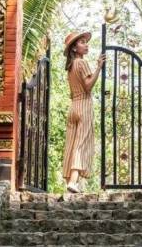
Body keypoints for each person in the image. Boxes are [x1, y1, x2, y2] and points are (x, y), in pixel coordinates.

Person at [61, 31, 104, 193]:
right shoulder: (82, 63)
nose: (86, 45)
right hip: (84, 105)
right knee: (81, 144)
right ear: (74, 48)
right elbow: (88, 86)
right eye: (82, 42)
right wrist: (98, 68)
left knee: (71, 144)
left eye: (86, 42)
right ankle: (73, 182)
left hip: (73, 106)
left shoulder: (70, 66)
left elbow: (72, 91)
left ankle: (69, 182)